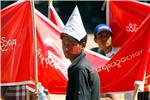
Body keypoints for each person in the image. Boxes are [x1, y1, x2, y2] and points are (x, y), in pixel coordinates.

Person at [61, 6, 100, 100]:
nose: (66, 48)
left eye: (72, 44)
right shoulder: (82, 65)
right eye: (64, 43)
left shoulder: (80, 69)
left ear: (83, 45)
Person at [91, 24, 121, 100]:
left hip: (115, 91)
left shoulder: (120, 53)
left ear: (111, 38)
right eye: (100, 36)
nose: (104, 38)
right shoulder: (92, 54)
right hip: (97, 91)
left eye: (107, 35)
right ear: (95, 40)